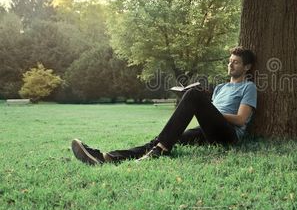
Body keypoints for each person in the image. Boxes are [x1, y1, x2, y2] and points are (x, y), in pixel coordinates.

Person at [71, 46, 257, 165]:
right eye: (229, 61)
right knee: (163, 138)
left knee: (194, 95)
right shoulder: (221, 87)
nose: (231, 65)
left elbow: (241, 120)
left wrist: (208, 109)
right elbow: (210, 115)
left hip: (228, 135)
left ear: (246, 67)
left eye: (236, 62)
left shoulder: (249, 87)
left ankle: (161, 150)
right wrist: (204, 108)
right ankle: (106, 157)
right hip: (207, 132)